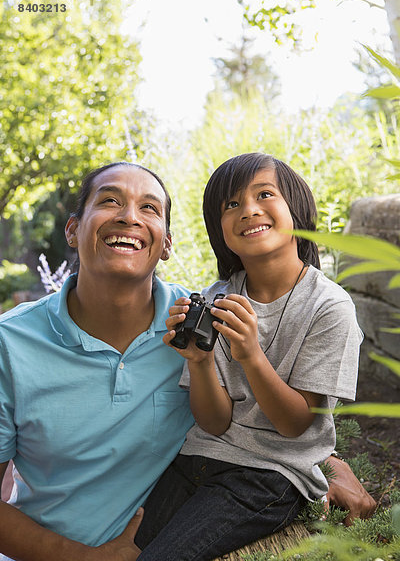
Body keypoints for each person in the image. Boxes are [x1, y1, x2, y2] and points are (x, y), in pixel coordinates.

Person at [0, 160, 375, 561]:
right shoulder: (11, 344)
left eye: (148, 208)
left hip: (211, 498)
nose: (128, 217)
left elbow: (290, 415)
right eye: (110, 200)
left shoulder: (194, 318)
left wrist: (325, 462)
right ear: (73, 230)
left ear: (166, 244)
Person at [134, 153, 372, 561]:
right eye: (231, 204)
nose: (248, 210)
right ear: (219, 228)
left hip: (268, 475)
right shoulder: (216, 299)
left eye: (264, 194)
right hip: (198, 459)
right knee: (129, 547)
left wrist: (251, 355)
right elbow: (214, 421)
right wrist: (199, 360)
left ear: (297, 209)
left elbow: (296, 424)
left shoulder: (329, 307)